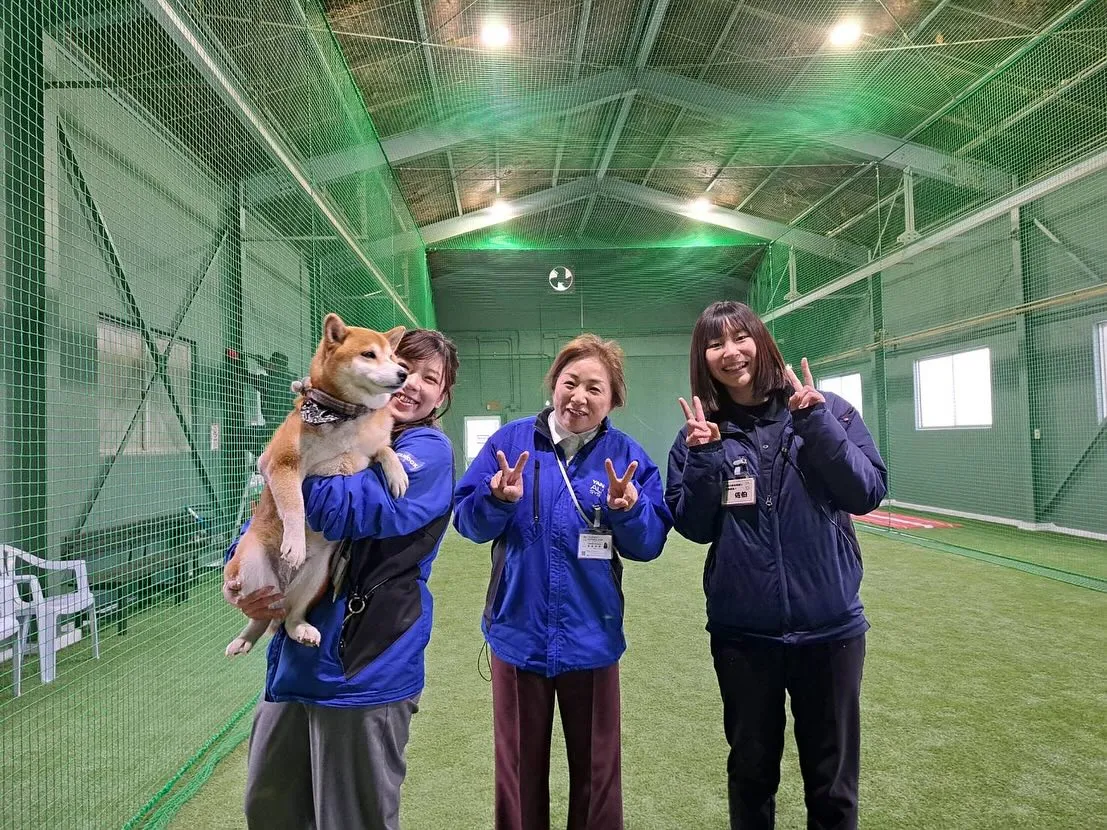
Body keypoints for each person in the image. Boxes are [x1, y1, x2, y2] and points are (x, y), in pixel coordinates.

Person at [223, 328, 460, 830]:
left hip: (364, 663)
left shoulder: (428, 451)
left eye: (429, 378)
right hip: (295, 662)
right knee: (269, 808)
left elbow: (341, 510)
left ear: (443, 396)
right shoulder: (339, 420)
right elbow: (267, 511)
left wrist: (300, 453)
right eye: (402, 364)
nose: (407, 380)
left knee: (352, 818)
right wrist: (242, 570)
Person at [664, 301, 887, 830]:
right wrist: (704, 457)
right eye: (715, 344)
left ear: (761, 342)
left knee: (832, 786)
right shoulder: (700, 432)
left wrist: (815, 422)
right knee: (751, 775)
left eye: (739, 337)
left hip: (830, 631)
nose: (730, 352)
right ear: (702, 358)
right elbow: (693, 526)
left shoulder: (827, 409)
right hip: (744, 636)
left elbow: (866, 492)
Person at [453, 334, 672, 830]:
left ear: (613, 399)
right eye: (570, 382)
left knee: (598, 774)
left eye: (595, 388)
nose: (579, 397)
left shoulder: (627, 456)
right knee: (519, 773)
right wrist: (495, 500)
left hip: (592, 637)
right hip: (517, 635)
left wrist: (629, 510)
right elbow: (467, 521)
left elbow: (649, 544)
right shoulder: (510, 444)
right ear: (553, 383)